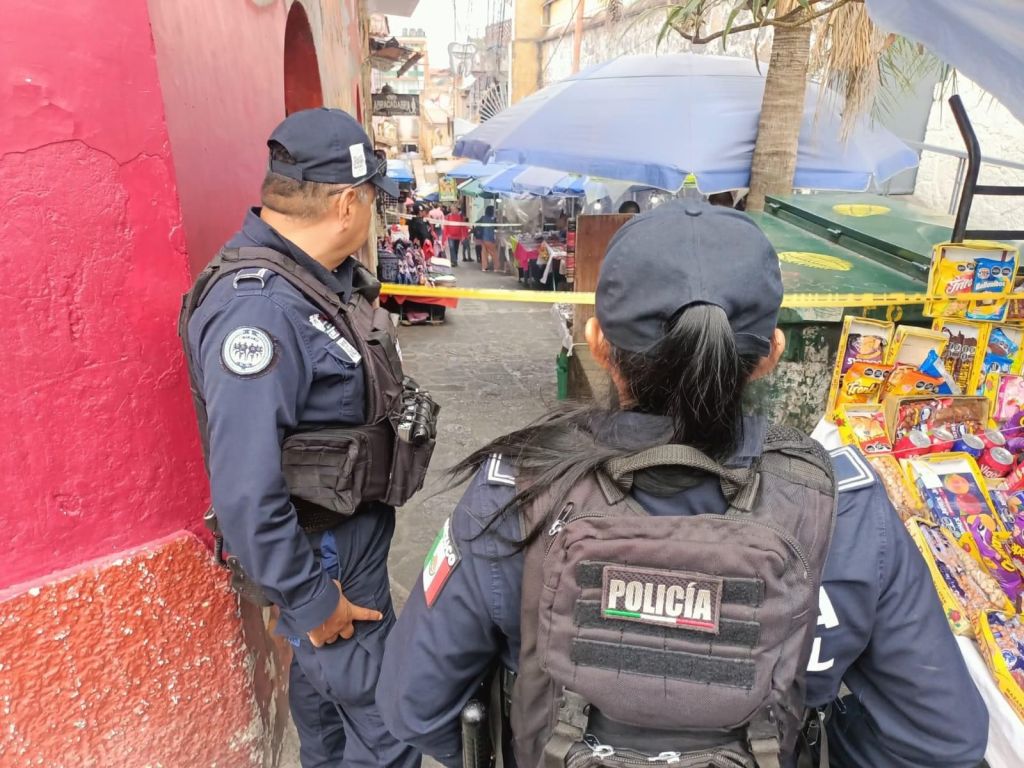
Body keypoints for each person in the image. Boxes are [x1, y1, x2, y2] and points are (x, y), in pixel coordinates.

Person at [377, 201, 988, 768]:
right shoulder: (846, 511)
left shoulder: (515, 491)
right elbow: (941, 737)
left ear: (598, 342)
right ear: (771, 353)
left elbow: (416, 706)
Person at [180, 108, 424, 768]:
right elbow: (244, 490)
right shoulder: (259, 310)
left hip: (345, 548)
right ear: (347, 203)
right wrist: (313, 601)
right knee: (389, 733)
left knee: (326, 719)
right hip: (323, 561)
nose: (373, 214)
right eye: (372, 200)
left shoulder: (310, 279)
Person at [476, 204, 498, 272]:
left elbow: (476, 223)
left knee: (484, 253)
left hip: (483, 238)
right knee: (494, 253)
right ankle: (496, 268)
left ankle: (484, 267)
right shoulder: (493, 219)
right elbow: (497, 226)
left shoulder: (483, 218)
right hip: (490, 238)